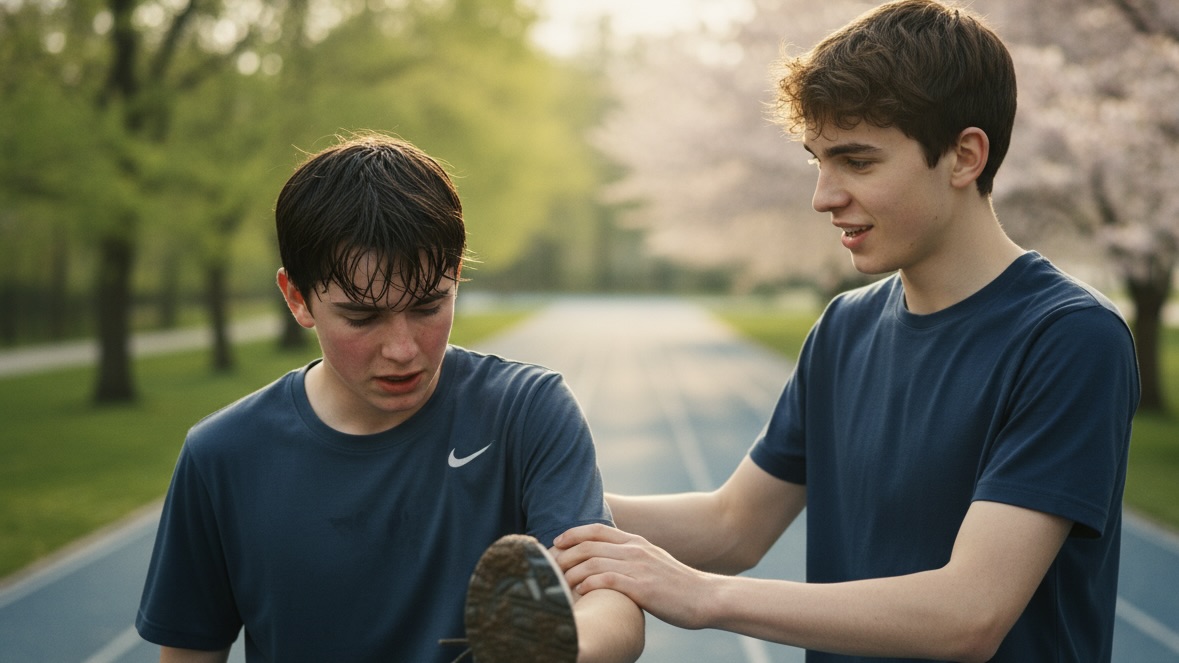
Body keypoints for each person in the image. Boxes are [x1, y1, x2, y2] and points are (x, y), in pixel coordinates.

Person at [554, 1, 1139, 661]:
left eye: (856, 162)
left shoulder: (1068, 338)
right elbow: (732, 525)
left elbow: (968, 613)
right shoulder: (844, 326)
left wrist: (704, 596)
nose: (822, 196)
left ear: (963, 156)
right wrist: (540, 500)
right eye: (816, 162)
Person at [135, 133, 643, 663]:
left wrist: (555, 648)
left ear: (456, 280)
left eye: (428, 306)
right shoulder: (221, 455)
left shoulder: (528, 410)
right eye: (362, 317)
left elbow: (608, 597)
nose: (402, 349)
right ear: (296, 298)